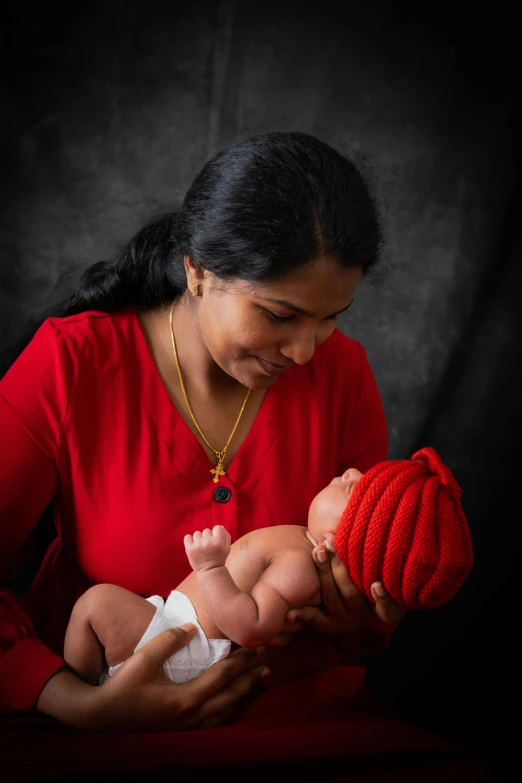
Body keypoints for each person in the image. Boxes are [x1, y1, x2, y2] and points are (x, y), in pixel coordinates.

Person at [0, 131, 492, 781]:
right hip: (106, 727)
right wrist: (80, 702)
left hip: (299, 725)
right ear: (197, 270)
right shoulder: (70, 365)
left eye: (330, 318)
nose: (306, 352)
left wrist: (361, 611)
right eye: (280, 314)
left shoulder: (343, 374)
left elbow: (361, 616)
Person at [64, 447, 473, 689]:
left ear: (338, 540)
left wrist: (210, 570)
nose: (350, 472)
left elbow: (251, 627)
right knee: (98, 611)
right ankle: (98, 695)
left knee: (96, 605)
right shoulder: (300, 546)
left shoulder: (299, 566)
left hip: (186, 647)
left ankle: (86, 690)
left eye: (354, 487)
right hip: (177, 628)